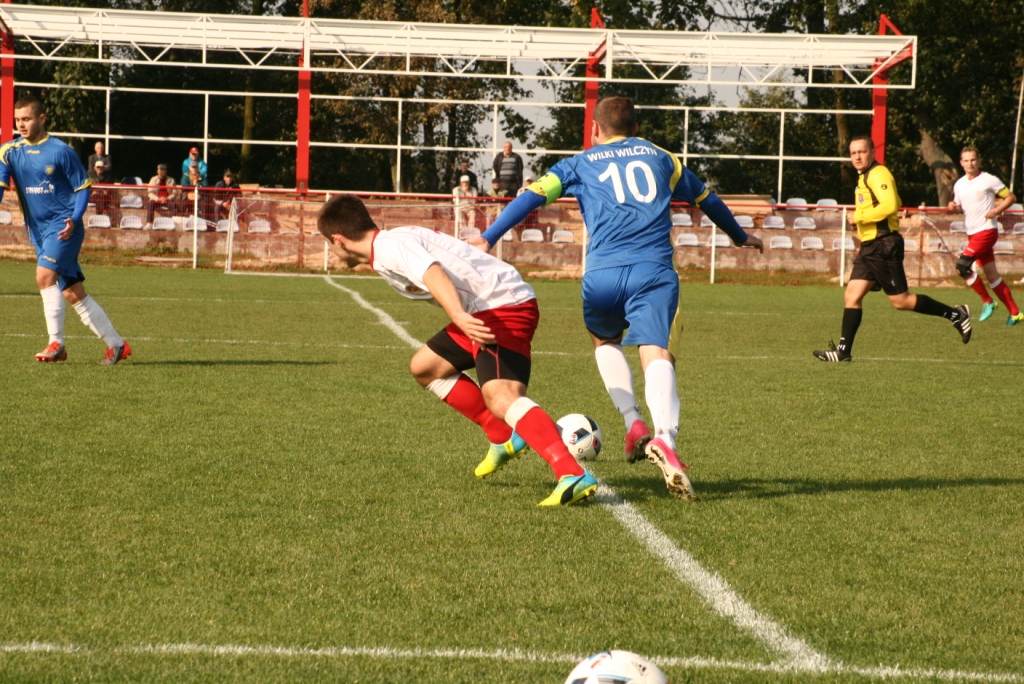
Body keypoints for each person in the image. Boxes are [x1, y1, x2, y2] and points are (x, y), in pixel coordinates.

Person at [474, 96, 763, 501]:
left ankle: (632, 422)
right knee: (656, 352)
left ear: (595, 130)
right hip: (653, 271)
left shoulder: (581, 162)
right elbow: (707, 200)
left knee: (603, 340)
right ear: (636, 126)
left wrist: (488, 237)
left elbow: (531, 196)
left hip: (602, 275)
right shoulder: (663, 157)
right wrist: (738, 235)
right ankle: (665, 438)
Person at [317, 194, 599, 507]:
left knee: (502, 396)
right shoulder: (389, 243)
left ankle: (570, 472)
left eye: (328, 244)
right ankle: (503, 435)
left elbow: (432, 270)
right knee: (425, 367)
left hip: (500, 306)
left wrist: (459, 315)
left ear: (338, 240)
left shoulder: (388, 248)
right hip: (484, 307)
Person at [814, 135, 972, 363]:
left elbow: (889, 206)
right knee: (851, 295)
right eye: (853, 153)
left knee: (901, 301)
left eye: (862, 152)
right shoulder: (864, 177)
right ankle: (843, 352)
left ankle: (956, 314)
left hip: (883, 245)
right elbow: (896, 201)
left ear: (872, 152)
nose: (857, 157)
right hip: (871, 247)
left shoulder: (879, 174)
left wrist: (859, 216)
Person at [0, 95, 131, 365]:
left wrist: (74, 217)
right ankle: (117, 345)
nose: (21, 125)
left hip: (63, 227)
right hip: (37, 231)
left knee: (44, 276)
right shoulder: (9, 151)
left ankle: (56, 343)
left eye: (27, 119)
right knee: (72, 291)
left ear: (42, 118)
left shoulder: (61, 151)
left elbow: (83, 188)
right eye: (18, 120)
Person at [946, 146, 1021, 326]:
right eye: (966, 160)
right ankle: (1015, 313)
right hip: (972, 234)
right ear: (961, 162)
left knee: (962, 265)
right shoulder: (960, 184)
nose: (970, 163)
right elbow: (957, 205)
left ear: (979, 161)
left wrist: (997, 210)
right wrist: (952, 207)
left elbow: (1011, 197)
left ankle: (988, 302)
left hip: (987, 231)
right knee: (992, 275)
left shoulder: (989, 179)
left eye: (973, 160)